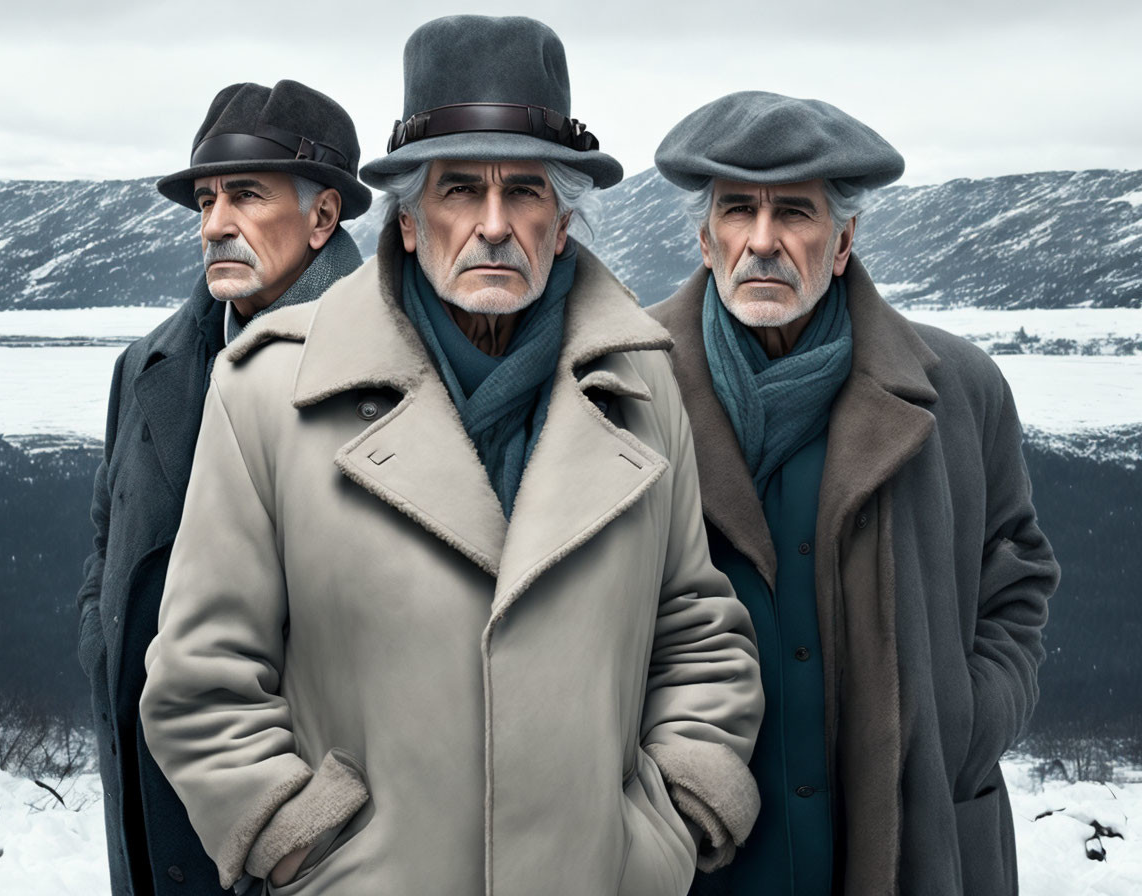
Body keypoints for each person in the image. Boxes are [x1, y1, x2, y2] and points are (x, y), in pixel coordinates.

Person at [138, 16, 763, 896]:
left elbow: (696, 630)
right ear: (405, 221)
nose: (495, 226)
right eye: (461, 190)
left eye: (528, 193)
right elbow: (200, 678)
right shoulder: (270, 393)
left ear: (564, 221)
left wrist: (667, 823)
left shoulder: (641, 386)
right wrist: (302, 845)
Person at [649, 91, 1059, 895]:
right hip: (694, 855)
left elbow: (1018, 585)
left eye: (795, 214)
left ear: (843, 242)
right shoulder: (623, 387)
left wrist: (965, 724)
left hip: (907, 846)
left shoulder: (961, 392)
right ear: (705, 238)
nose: (762, 243)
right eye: (738, 212)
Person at [75, 79, 370, 895]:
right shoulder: (145, 368)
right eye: (206, 200)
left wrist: (304, 826)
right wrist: (106, 653)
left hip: (318, 837)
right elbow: (108, 543)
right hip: (155, 817)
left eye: (245, 194)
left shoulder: (397, 368)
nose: (214, 226)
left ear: (323, 217)